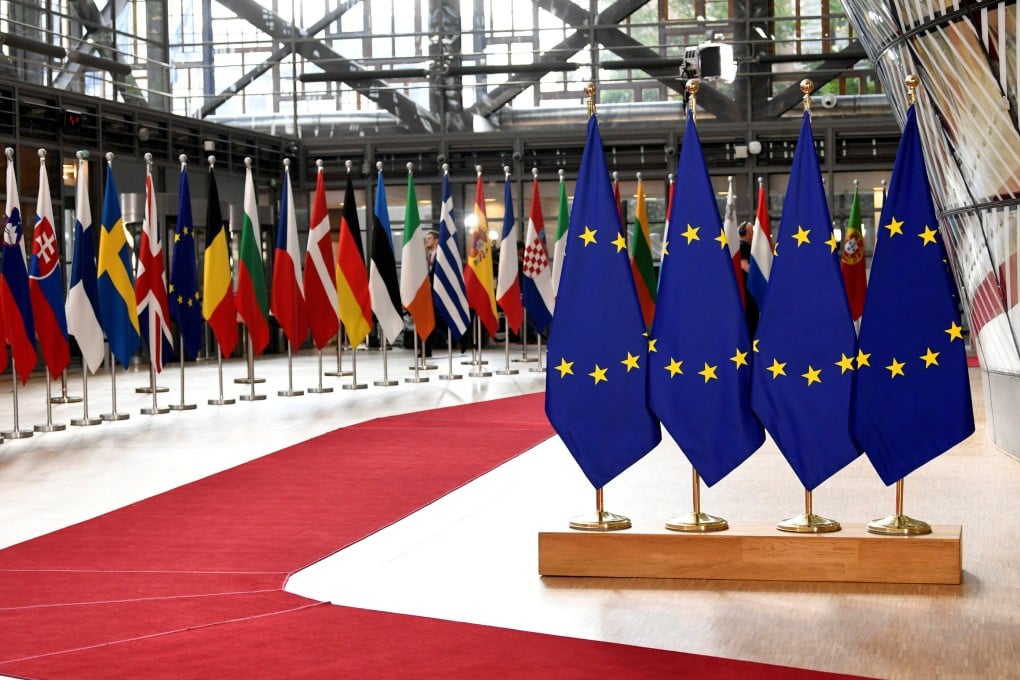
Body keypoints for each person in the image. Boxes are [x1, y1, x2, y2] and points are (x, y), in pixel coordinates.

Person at [738, 221, 760, 337]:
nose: (754, 233)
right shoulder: (742, 246)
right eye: (752, 231)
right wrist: (759, 274)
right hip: (747, 290)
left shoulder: (747, 247)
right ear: (744, 232)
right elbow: (744, 265)